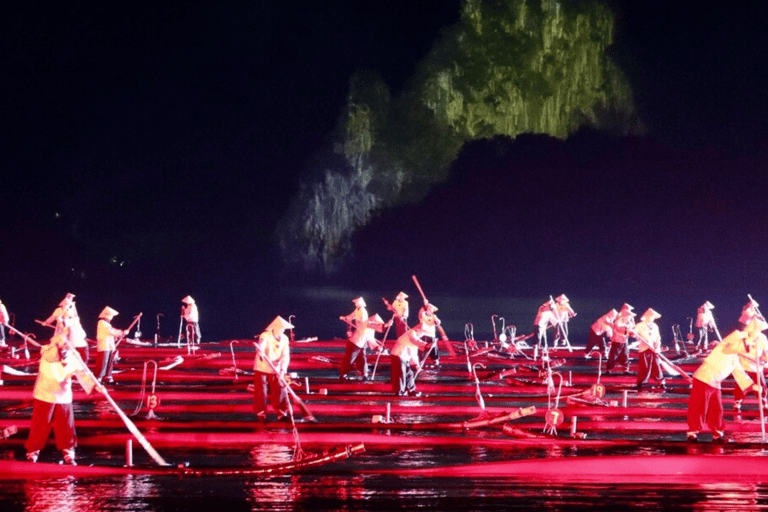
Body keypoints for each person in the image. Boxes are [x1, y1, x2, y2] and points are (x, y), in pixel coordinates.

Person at [24, 329, 98, 465]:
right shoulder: (47, 353)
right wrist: (69, 364)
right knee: (40, 423)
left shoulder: (72, 355)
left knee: (66, 424)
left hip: (63, 395)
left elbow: (82, 373)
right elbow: (57, 375)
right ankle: (33, 450)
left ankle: (68, 451)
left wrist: (94, 385)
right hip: (45, 393)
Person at [686, 320, 763, 443]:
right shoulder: (725, 346)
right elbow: (737, 335)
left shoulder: (734, 357)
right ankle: (692, 432)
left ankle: (717, 432)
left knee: (716, 409)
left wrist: (753, 386)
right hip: (703, 379)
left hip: (715, 383)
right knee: (699, 407)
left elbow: (740, 374)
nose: (745, 349)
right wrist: (751, 331)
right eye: (745, 346)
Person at [253, 316, 293, 423]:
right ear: (275, 327)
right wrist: (260, 351)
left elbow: (285, 356)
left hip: (276, 368)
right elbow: (261, 346)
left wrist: (282, 370)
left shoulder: (285, 339)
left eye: (283, 328)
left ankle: (281, 413)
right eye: (281, 328)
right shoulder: (265, 335)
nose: (282, 330)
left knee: (279, 389)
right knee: (261, 391)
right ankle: (261, 413)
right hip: (262, 367)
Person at [733, 318, 768, 413]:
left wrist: (765, 364)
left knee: (761, 387)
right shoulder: (743, 337)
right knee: (741, 387)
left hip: (757, 368)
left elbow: (766, 352)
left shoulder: (763, 338)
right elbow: (738, 350)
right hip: (744, 366)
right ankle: (737, 403)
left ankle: (764, 403)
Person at [390, 323, 430, 396]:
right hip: (398, 355)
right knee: (400, 374)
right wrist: (426, 345)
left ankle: (410, 389)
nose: (423, 334)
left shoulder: (416, 337)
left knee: (409, 373)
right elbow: (414, 341)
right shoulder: (411, 333)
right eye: (423, 331)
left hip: (404, 357)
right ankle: (399, 391)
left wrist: (416, 365)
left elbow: (414, 354)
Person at [634, 308, 665, 391]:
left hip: (654, 349)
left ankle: (660, 382)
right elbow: (634, 334)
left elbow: (658, 337)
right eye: (651, 316)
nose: (652, 318)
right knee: (644, 366)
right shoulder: (639, 325)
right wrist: (634, 334)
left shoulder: (655, 326)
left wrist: (657, 346)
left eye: (653, 317)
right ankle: (642, 382)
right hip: (644, 348)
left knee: (656, 365)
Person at [95, 307, 127, 384]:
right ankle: (98, 378)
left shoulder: (107, 324)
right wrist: (122, 332)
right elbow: (111, 331)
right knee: (103, 362)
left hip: (109, 346)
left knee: (109, 362)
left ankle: (107, 376)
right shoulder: (101, 323)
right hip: (104, 346)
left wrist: (117, 336)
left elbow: (111, 333)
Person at [339, 297, 369, 380]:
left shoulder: (363, 311)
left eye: (356, 303)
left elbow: (362, 323)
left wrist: (356, 323)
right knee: (360, 356)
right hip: (357, 335)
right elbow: (352, 316)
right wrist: (345, 318)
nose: (355, 304)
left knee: (352, 355)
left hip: (361, 336)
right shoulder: (357, 309)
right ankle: (364, 373)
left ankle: (345, 373)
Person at [607, 304, 635, 373]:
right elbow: (617, 329)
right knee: (613, 356)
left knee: (625, 355)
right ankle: (609, 369)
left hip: (624, 342)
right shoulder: (618, 321)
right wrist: (626, 330)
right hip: (617, 341)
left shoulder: (630, 322)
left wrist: (631, 333)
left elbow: (632, 330)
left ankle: (626, 368)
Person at [418, 302, 444, 368]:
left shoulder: (434, 316)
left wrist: (437, 322)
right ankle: (420, 362)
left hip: (431, 335)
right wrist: (425, 304)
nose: (429, 310)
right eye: (428, 309)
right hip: (423, 334)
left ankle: (436, 362)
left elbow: (438, 322)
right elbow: (420, 313)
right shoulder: (423, 315)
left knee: (434, 349)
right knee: (422, 348)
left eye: (431, 309)